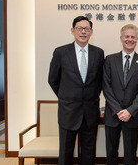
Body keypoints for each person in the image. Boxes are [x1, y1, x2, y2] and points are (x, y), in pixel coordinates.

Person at [48, 16, 104, 165]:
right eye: (80, 28)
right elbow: (53, 80)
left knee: (88, 152)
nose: (83, 32)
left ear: (91, 32)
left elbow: (99, 82)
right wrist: (66, 97)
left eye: (87, 29)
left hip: (90, 112)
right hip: (68, 112)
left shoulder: (98, 53)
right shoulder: (60, 52)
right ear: (73, 30)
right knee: (66, 153)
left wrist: (89, 98)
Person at [103, 24, 138, 165]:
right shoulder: (110, 60)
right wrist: (119, 110)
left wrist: (129, 111)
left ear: (137, 39)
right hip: (113, 114)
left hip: (132, 115)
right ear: (121, 38)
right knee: (111, 152)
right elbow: (106, 87)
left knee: (130, 154)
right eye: (127, 36)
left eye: (133, 37)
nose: (130, 39)